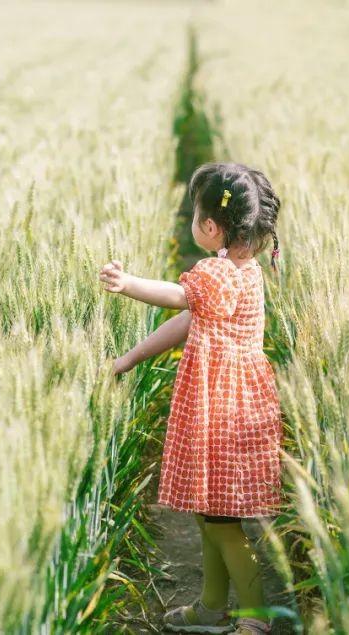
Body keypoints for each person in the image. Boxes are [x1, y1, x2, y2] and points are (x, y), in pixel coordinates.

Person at [99, 162, 283, 634]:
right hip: (225, 404)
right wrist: (129, 359)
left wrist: (128, 285)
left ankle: (257, 620)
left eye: (193, 215)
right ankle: (211, 608)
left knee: (222, 521)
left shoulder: (218, 275)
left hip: (223, 410)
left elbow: (179, 299)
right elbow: (188, 321)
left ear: (209, 226)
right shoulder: (245, 270)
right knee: (210, 515)